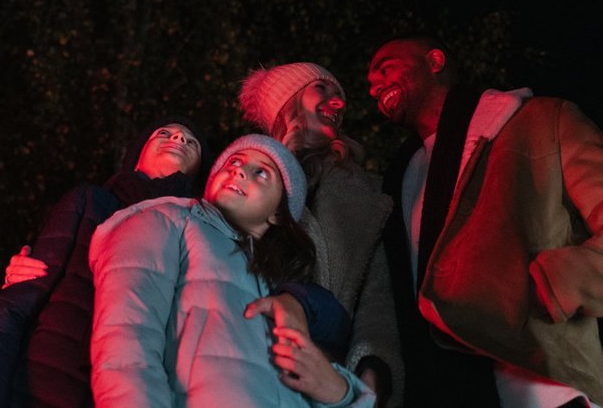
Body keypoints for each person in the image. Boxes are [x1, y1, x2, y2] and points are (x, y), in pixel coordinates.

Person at [367, 34, 603, 407]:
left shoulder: (541, 119)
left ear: (434, 61)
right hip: (436, 386)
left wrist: (563, 279)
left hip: (540, 377)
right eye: (370, 84)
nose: (375, 86)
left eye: (385, 68)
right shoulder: (399, 176)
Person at [89, 134, 375, 407]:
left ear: (278, 212)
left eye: (261, 173)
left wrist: (340, 392)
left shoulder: (274, 284)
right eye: (232, 163)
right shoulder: (165, 219)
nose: (239, 172)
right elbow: (127, 345)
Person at [0, 116, 210, 407]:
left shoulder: (202, 240)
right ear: (136, 158)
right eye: (165, 133)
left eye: (192, 142)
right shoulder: (92, 203)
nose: (178, 139)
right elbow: (14, 308)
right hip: (35, 387)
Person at [239, 62, 403, 407]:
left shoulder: (369, 197)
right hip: (243, 363)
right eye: (322, 89)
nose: (340, 104)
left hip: (329, 378)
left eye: (341, 97)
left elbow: (377, 300)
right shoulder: (238, 174)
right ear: (289, 104)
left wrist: (373, 369)